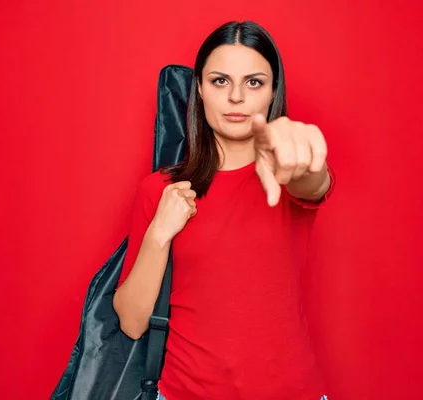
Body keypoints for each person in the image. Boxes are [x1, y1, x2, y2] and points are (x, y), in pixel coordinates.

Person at [113, 20, 335, 400]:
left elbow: (313, 183)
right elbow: (132, 323)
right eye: (220, 81)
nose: (236, 97)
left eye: (253, 82)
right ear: (199, 88)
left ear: (273, 91)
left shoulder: (286, 174)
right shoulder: (162, 190)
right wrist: (159, 233)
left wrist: (305, 160)